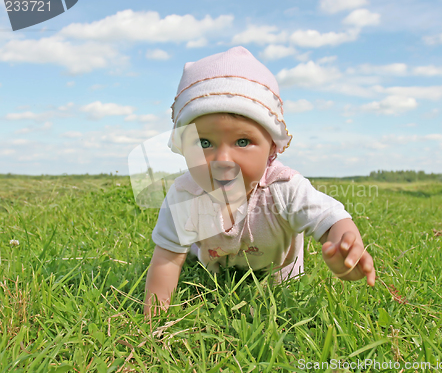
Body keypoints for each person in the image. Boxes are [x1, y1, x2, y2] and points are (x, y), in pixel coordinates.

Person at [144, 46, 375, 316]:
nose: (223, 159)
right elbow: (167, 258)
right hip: (215, 276)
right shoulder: (185, 194)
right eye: (203, 142)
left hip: (279, 283)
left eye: (243, 142)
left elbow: (330, 219)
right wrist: (153, 322)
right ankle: (201, 256)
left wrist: (344, 247)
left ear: (272, 148)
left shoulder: (284, 188)